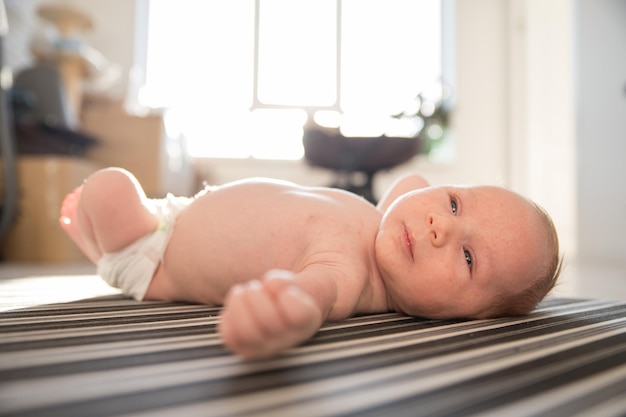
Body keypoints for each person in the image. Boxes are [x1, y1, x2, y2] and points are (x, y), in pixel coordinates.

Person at [59, 167, 561, 359]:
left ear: (463, 318)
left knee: (108, 188)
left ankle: (100, 249)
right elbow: (411, 187)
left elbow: (312, 298)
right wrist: (420, 195)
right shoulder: (386, 224)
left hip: (155, 251)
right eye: (454, 203)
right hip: (184, 209)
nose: (441, 227)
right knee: (119, 191)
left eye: (468, 257)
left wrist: (283, 313)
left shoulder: (349, 274)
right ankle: (103, 222)